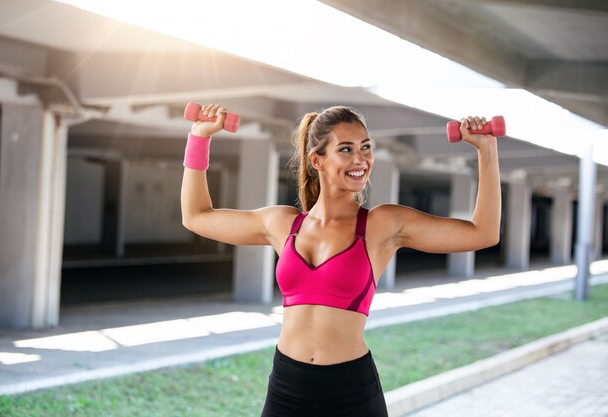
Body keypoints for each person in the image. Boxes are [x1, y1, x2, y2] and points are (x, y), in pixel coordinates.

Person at [180, 104, 501, 416]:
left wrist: (486, 151)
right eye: (346, 149)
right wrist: (199, 136)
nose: (361, 159)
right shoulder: (282, 225)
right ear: (316, 159)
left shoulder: (382, 225)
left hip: (351, 392)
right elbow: (197, 216)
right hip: (287, 389)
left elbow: (482, 233)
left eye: (366, 147)